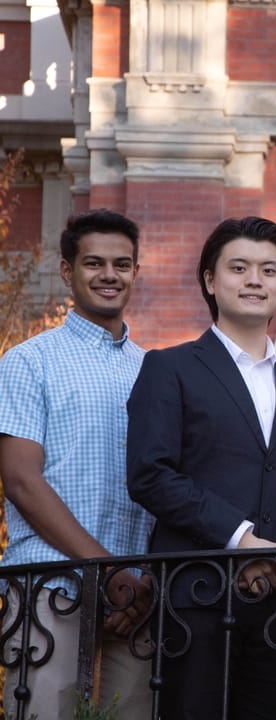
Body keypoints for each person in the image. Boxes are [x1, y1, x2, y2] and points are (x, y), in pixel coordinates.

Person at [126, 216, 276, 719]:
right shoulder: (170, 367)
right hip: (196, 595)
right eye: (238, 268)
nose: (254, 280)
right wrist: (242, 540)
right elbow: (150, 473)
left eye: (269, 270)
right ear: (210, 280)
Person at [0, 209, 152, 719]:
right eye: (94, 263)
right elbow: (21, 480)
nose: (110, 274)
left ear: (135, 271)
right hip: (51, 585)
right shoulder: (29, 361)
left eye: (122, 264)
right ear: (67, 271)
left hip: (136, 601)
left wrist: (139, 584)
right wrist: (104, 570)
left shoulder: (153, 370)